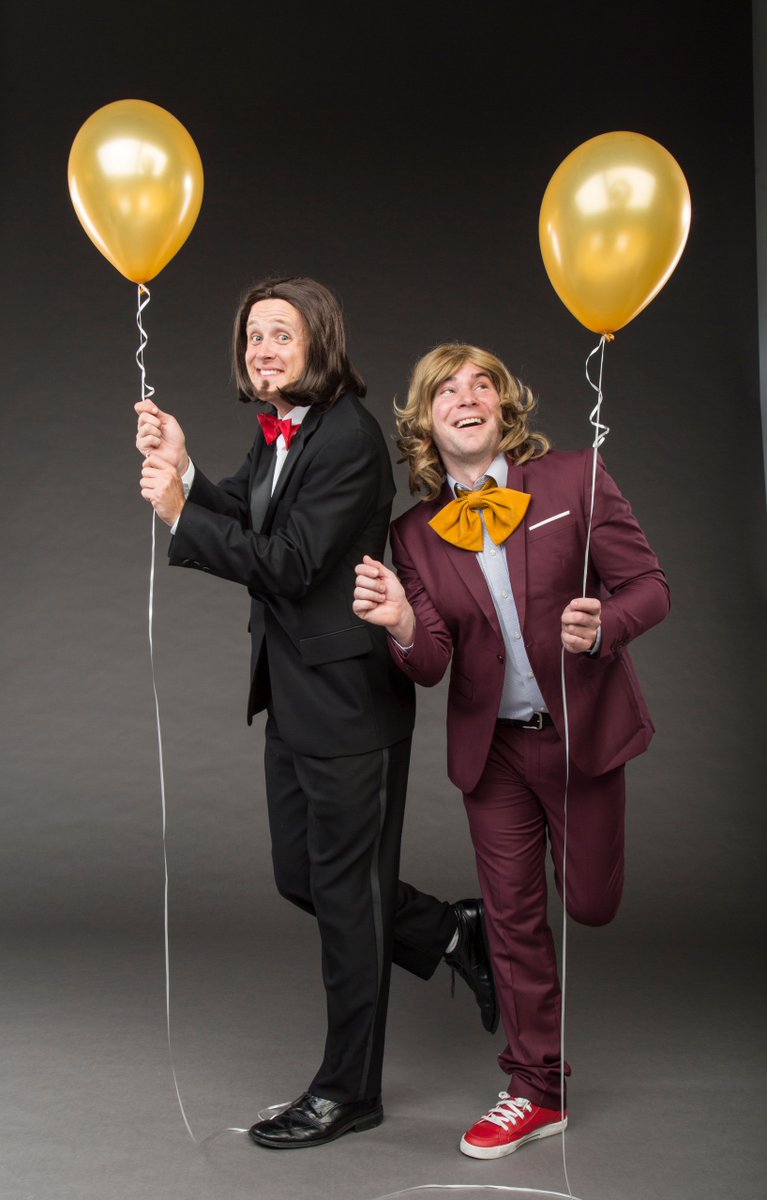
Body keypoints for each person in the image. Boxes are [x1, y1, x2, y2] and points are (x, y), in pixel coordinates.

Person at [135, 279, 498, 1150]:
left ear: (318, 344)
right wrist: (186, 472)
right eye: (252, 335)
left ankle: (348, 1092)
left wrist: (180, 515)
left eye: (279, 334)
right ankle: (452, 931)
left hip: (348, 706)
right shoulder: (282, 430)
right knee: (303, 877)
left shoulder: (346, 438)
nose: (261, 349)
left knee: (345, 900)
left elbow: (291, 563)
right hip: (294, 695)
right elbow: (246, 509)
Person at [353, 343, 670, 1159]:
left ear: (503, 406)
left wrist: (603, 626)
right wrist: (399, 621)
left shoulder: (573, 479)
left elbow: (649, 588)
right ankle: (536, 1089)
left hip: (582, 739)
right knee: (515, 918)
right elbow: (430, 662)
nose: (466, 397)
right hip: (492, 754)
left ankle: (518, 987)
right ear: (426, 421)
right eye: (446, 390)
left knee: (589, 904)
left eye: (481, 384)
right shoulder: (413, 535)